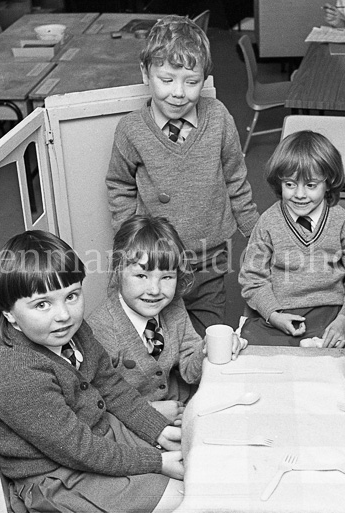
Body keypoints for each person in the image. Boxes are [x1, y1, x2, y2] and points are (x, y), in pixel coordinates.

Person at [0, 230, 184, 513]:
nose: (64, 315)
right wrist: (156, 461)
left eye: (71, 296)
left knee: (194, 466)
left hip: (96, 436)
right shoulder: (13, 372)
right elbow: (78, 449)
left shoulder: (71, 331)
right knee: (182, 500)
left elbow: (110, 385)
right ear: (8, 313)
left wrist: (157, 429)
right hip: (57, 477)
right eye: (42, 304)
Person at [106, 15, 259, 337]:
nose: (178, 93)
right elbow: (120, 186)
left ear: (205, 78)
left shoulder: (219, 117)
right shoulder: (131, 129)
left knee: (208, 339)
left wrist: (257, 233)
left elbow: (236, 178)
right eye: (166, 79)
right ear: (145, 73)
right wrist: (130, 240)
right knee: (157, 339)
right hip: (156, 264)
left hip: (210, 260)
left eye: (191, 82)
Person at [87, 215, 246, 425]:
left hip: (182, 407)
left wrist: (207, 348)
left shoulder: (174, 307)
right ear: (118, 270)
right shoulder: (100, 329)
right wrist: (149, 412)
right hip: (132, 425)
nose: (154, 290)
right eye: (141, 276)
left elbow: (190, 370)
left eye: (167, 277)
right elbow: (93, 404)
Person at [238, 131, 345, 348]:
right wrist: (274, 315)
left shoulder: (342, 221)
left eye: (311, 185)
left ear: (329, 182)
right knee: (254, 352)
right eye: (290, 184)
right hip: (281, 313)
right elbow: (252, 279)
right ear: (279, 182)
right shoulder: (268, 222)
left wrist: (344, 320)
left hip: (332, 313)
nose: (299, 194)